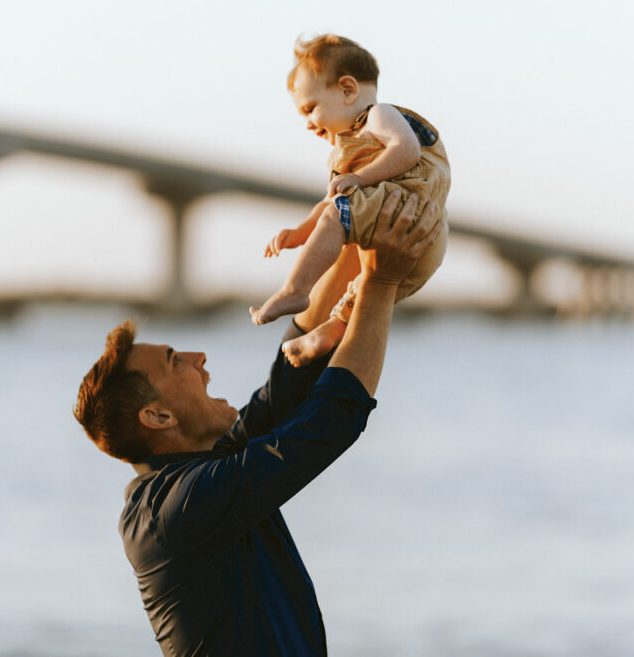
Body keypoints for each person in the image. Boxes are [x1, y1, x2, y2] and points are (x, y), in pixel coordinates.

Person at [73, 190, 443, 656]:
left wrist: (356, 225)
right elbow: (330, 421)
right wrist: (382, 278)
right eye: (175, 361)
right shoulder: (172, 512)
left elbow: (290, 379)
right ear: (159, 417)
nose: (199, 357)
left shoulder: (204, 469)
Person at [250, 34, 451, 368]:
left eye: (310, 108)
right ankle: (330, 331)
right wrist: (299, 232)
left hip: (408, 211)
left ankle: (295, 290)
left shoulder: (378, 116)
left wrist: (359, 178)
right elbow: (329, 204)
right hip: (425, 240)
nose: (308, 123)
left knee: (337, 217)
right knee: (363, 287)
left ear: (347, 90)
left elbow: (407, 150)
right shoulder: (348, 150)